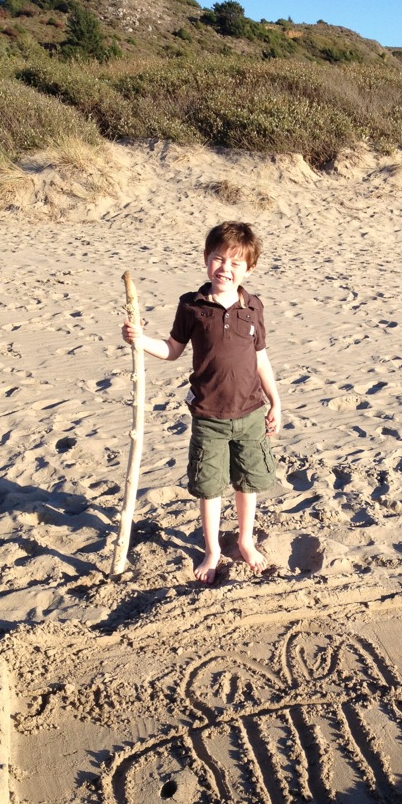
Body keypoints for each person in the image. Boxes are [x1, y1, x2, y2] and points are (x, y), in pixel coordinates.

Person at [121, 221, 281, 584]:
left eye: (235, 263)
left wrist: (276, 401)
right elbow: (172, 351)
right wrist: (140, 340)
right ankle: (212, 550)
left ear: (249, 269)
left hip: (252, 413)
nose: (225, 268)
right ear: (206, 260)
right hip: (209, 414)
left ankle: (245, 540)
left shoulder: (253, 306)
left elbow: (261, 359)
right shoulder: (191, 306)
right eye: (218, 259)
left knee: (248, 483)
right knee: (210, 487)